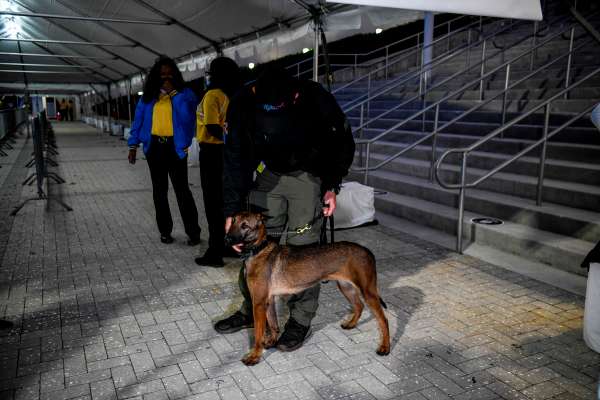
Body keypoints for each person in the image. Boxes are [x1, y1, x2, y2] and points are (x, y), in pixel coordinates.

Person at [215, 66, 355, 352]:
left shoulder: (314, 96)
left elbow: (340, 140)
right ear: (255, 92)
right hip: (269, 171)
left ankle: (300, 320)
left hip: (308, 171)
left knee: (304, 250)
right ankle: (252, 306)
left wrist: (331, 184)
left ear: (294, 94)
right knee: (255, 245)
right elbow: (235, 157)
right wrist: (232, 210)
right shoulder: (242, 101)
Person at [127, 56, 201, 245]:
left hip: (175, 149)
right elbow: (138, 121)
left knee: (182, 191)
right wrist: (133, 145)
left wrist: (174, 95)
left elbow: (188, 120)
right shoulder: (148, 97)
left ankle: (193, 233)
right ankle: (165, 231)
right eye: (162, 74)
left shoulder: (185, 94)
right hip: (154, 149)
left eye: (169, 73)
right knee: (159, 192)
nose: (166, 77)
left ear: (175, 74)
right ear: (155, 76)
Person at [194, 57, 242, 267]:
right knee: (225, 203)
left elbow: (212, 126)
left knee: (212, 204)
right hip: (226, 154)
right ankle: (228, 245)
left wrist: (224, 141)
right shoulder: (230, 95)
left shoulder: (212, 95)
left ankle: (214, 253)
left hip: (212, 153)